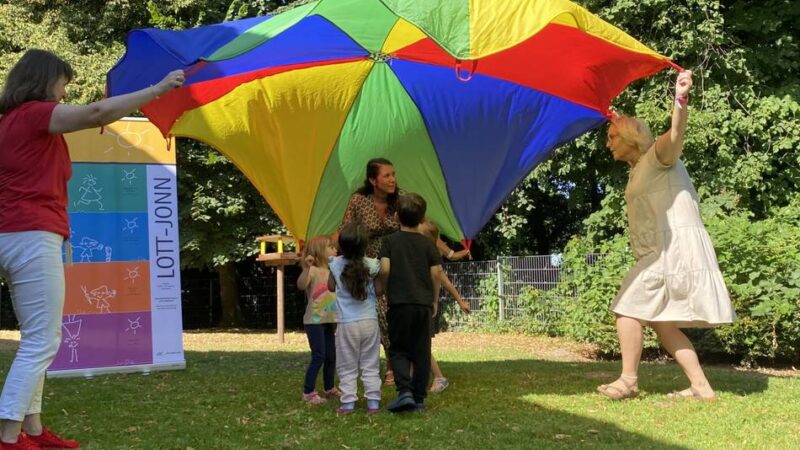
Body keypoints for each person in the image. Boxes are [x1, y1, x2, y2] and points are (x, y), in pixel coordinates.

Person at [0, 49, 184, 449]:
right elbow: (95, 113)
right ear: (44, 81)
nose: (64, 94)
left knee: (36, 337)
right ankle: (8, 435)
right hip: (32, 236)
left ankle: (32, 431)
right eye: (62, 84)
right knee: (42, 342)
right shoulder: (34, 113)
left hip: (18, 235)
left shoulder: (10, 123)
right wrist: (157, 89)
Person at [597, 70, 735, 401]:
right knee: (664, 325)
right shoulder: (637, 170)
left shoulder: (658, 157)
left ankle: (629, 380)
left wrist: (681, 98)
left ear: (630, 138)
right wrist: (608, 110)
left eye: (612, 137)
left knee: (627, 308)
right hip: (657, 252)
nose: (607, 143)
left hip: (673, 251)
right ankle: (702, 388)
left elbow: (676, 133)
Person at [337, 158, 469, 385]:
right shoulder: (359, 201)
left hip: (398, 264)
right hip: (369, 266)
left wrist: (450, 254)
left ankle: (394, 367)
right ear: (373, 180)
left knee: (392, 314)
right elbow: (344, 230)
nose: (392, 179)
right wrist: (327, 252)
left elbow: (424, 228)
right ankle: (395, 365)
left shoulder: (402, 199)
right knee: (379, 314)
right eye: (386, 175)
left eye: (393, 174)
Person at [379, 193, 443, 412]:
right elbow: (436, 273)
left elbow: (385, 268)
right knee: (422, 351)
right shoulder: (428, 245)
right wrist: (433, 300)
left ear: (396, 216)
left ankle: (404, 391)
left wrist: (383, 288)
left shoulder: (389, 241)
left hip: (399, 303)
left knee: (397, 349)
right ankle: (418, 399)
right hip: (423, 304)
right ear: (423, 219)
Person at [327, 224, 383, 415]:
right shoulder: (373, 265)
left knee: (347, 364)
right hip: (370, 322)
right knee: (370, 363)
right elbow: (379, 290)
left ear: (342, 245)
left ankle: (348, 403)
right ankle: (373, 403)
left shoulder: (334, 264)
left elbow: (330, 287)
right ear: (365, 245)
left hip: (347, 324)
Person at [418, 220, 471, 394]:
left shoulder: (431, 258)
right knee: (417, 344)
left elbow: (444, 281)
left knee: (422, 345)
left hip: (427, 305)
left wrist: (460, 301)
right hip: (423, 303)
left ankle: (439, 378)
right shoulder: (423, 255)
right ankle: (418, 378)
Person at [296, 236, 339, 405]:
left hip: (329, 320)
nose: (335, 250)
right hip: (314, 322)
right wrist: (306, 268)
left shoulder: (333, 271)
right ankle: (308, 392)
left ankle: (329, 388)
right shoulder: (312, 270)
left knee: (331, 355)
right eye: (330, 247)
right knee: (319, 355)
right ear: (319, 252)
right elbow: (301, 285)